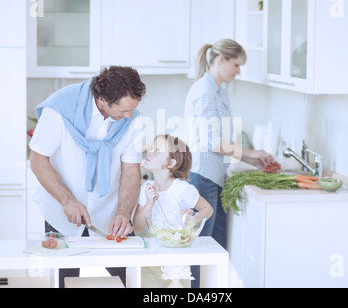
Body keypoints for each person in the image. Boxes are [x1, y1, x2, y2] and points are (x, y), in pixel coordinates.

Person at [29, 66, 146, 287]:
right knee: (62, 281)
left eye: (132, 109)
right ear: (102, 99)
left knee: (126, 279)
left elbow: (131, 172)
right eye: (123, 110)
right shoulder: (59, 108)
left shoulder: (133, 120)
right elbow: (38, 160)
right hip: (61, 214)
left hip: (110, 217)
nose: (129, 115)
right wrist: (67, 201)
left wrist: (123, 211)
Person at [184, 39, 277, 286]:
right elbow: (211, 142)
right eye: (236, 64)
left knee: (216, 248)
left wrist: (251, 157)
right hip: (202, 177)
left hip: (213, 178)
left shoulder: (218, 91)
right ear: (221, 60)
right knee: (203, 249)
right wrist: (249, 152)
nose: (238, 71)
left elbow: (220, 143)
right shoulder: (204, 91)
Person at [133, 134, 213, 287]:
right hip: (152, 258)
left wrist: (194, 219)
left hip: (178, 259)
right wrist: (149, 203)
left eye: (157, 150)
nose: (149, 152)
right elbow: (137, 226)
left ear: (171, 163)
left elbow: (207, 209)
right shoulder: (146, 188)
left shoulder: (182, 189)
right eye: (151, 148)